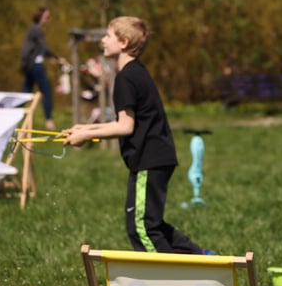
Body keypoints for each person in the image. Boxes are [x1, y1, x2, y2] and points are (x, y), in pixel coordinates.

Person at [64, 16, 208, 254]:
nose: (103, 40)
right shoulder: (135, 72)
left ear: (123, 42)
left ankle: (169, 277)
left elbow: (124, 127)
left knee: (141, 228)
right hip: (155, 159)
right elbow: (125, 122)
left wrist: (87, 137)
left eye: (108, 36)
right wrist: (85, 129)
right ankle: (200, 257)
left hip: (148, 161)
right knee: (151, 224)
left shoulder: (126, 78)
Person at [19, 7, 64, 130]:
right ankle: (48, 120)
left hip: (29, 65)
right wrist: (57, 57)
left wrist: (50, 58)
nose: (48, 20)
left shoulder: (32, 29)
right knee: (47, 91)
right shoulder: (37, 30)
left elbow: (37, 48)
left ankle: (13, 114)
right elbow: (44, 47)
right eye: (47, 17)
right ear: (40, 18)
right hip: (35, 65)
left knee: (26, 92)